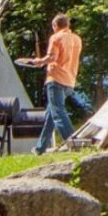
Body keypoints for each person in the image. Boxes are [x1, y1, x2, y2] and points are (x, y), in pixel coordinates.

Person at [32, 12, 83, 153]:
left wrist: (38, 62)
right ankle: (40, 147)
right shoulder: (77, 39)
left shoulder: (56, 37)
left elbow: (52, 57)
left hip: (55, 79)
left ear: (55, 25)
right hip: (70, 80)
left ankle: (73, 141)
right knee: (51, 113)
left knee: (58, 112)